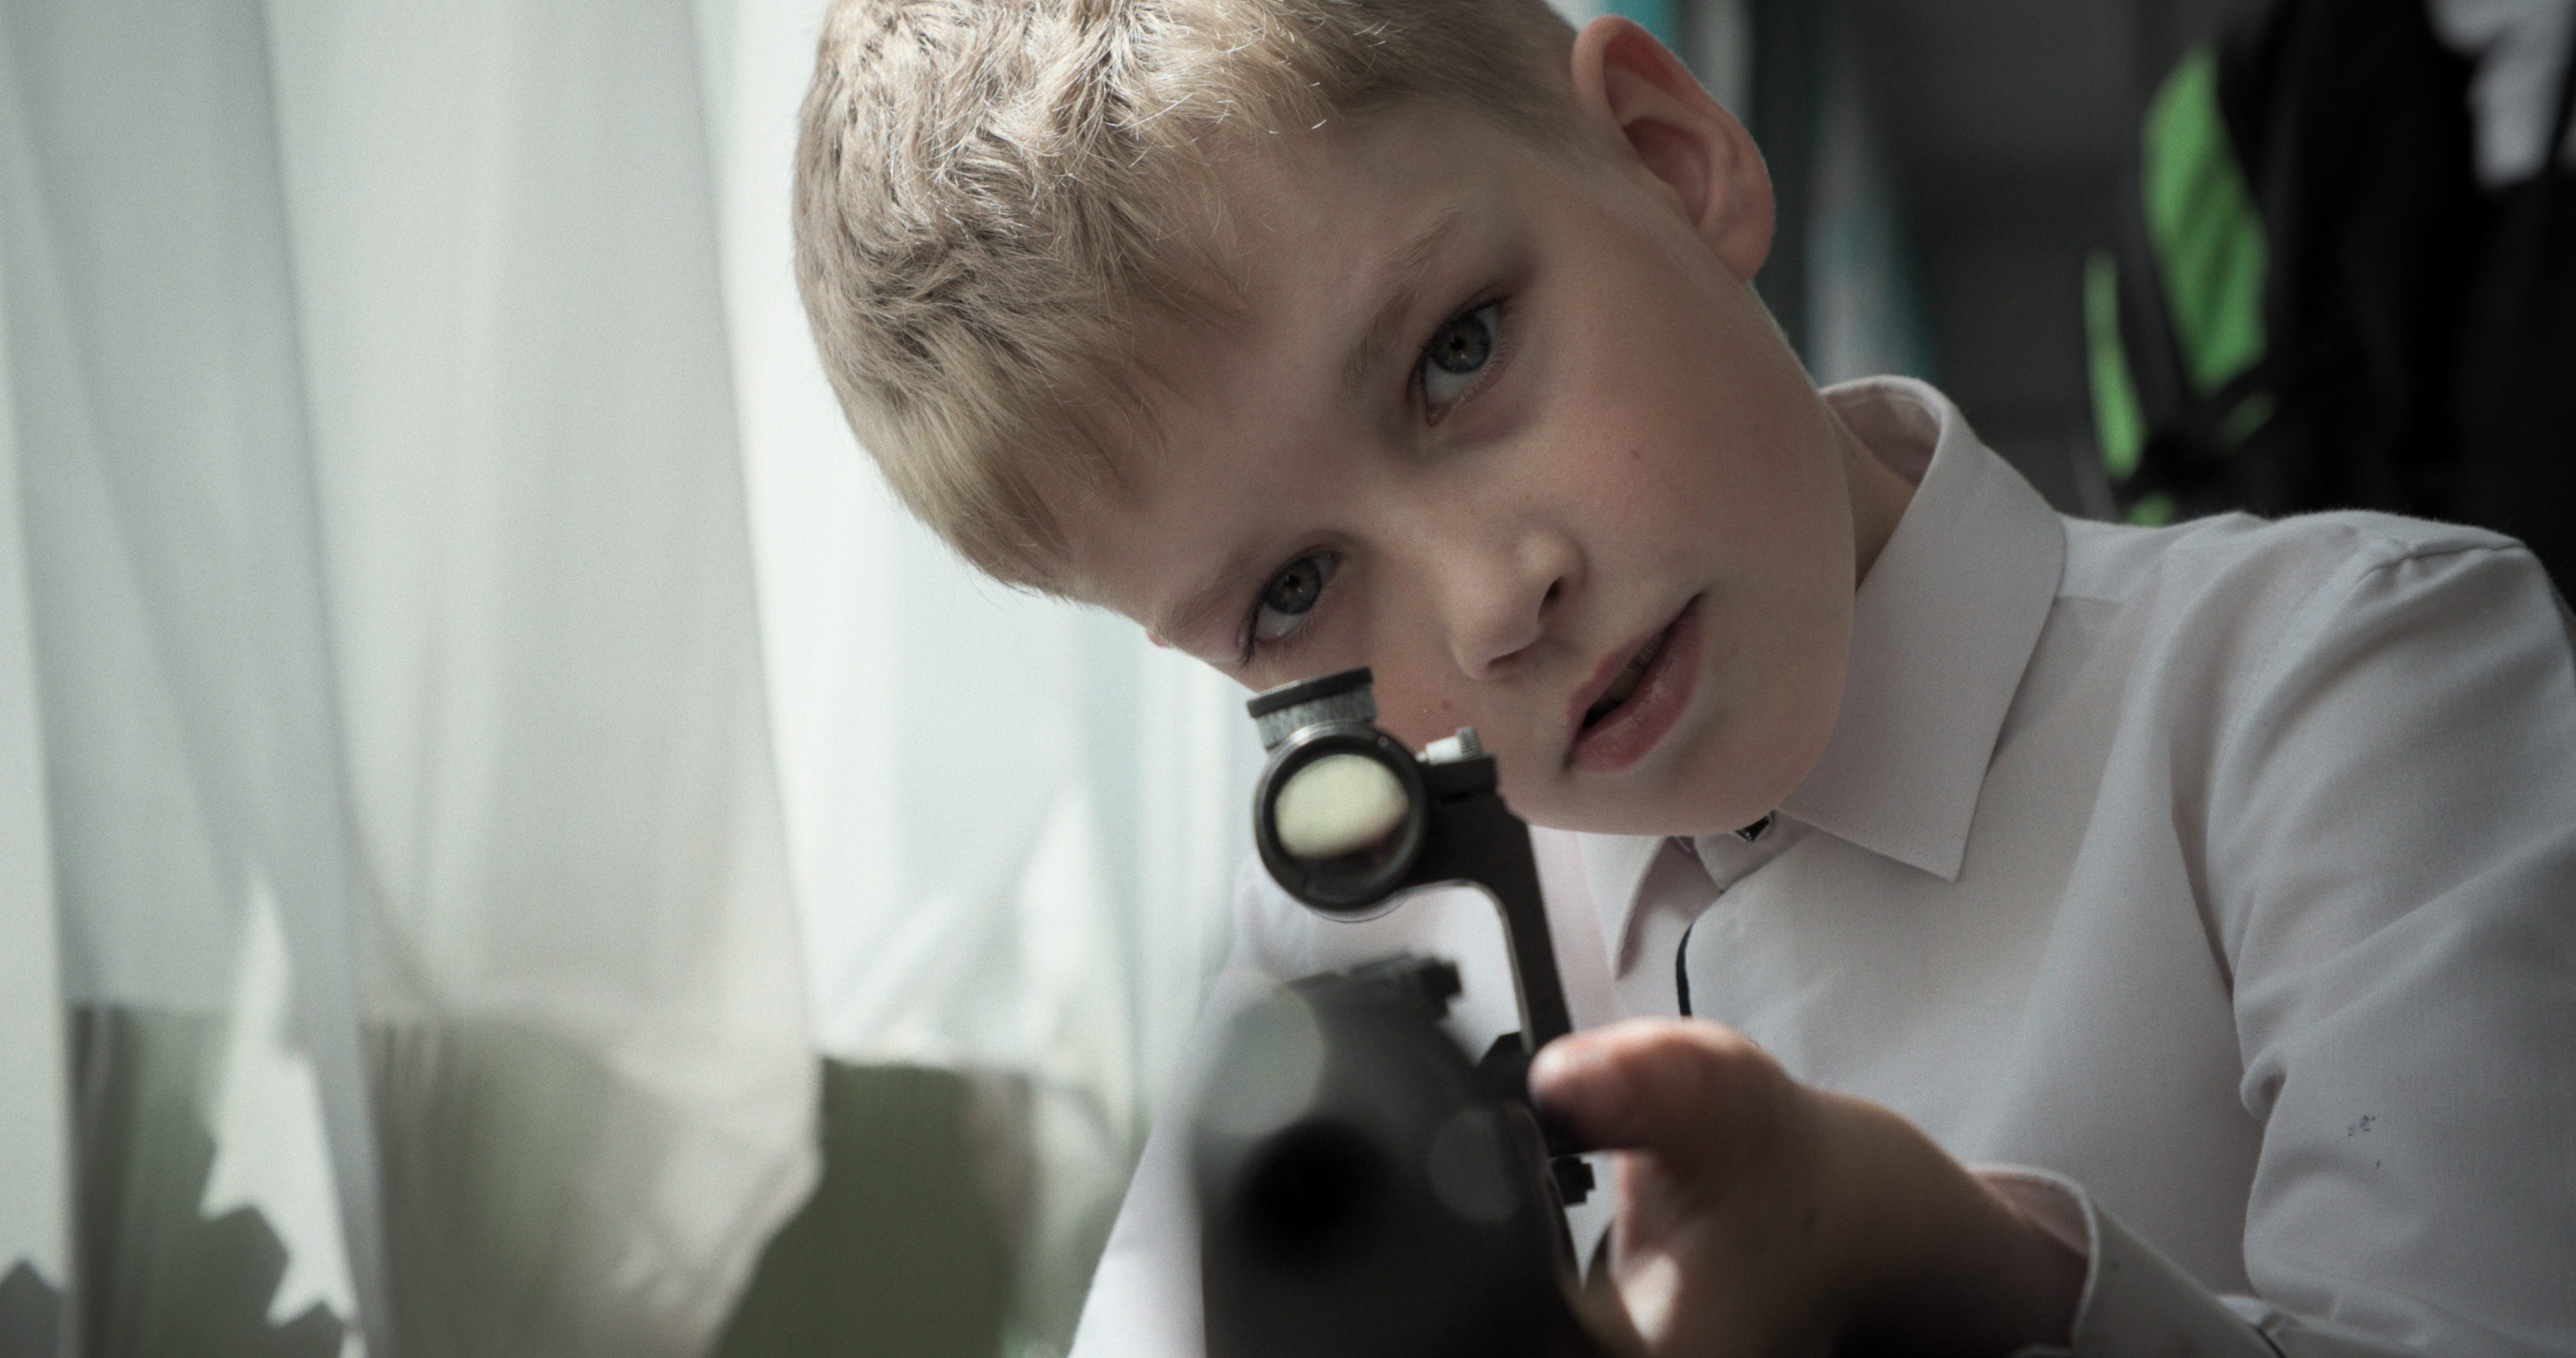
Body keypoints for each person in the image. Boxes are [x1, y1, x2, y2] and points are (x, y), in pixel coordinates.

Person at [790, 1, 2576, 1354]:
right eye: (1296, 592)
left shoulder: (2358, 675)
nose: (1496, 604)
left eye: (1458, 353)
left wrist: (1981, 1276)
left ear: (1669, 156)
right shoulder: (1348, 952)